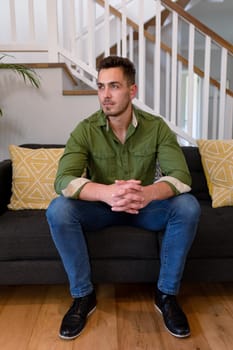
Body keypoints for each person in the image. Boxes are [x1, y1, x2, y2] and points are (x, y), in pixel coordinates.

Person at [46, 55, 201, 340]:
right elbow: (63, 180)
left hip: (145, 209)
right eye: (101, 87)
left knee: (188, 207)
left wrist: (147, 193)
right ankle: (83, 296)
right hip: (102, 209)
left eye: (114, 86)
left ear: (132, 91)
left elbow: (181, 176)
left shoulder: (156, 128)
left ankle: (166, 295)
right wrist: (106, 192)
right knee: (58, 210)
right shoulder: (85, 129)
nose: (105, 95)